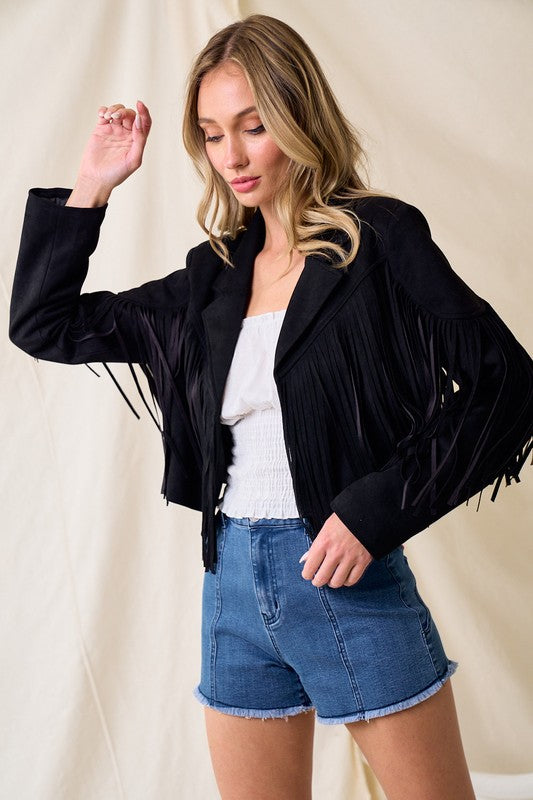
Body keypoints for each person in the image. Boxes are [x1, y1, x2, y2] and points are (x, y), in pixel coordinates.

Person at [9, 13, 532, 800]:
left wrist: (374, 512)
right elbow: (43, 325)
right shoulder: (212, 275)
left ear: (297, 116)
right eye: (212, 134)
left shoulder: (377, 239)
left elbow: (506, 386)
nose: (232, 156)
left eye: (253, 127)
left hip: (345, 582)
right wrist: (92, 185)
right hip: (230, 589)